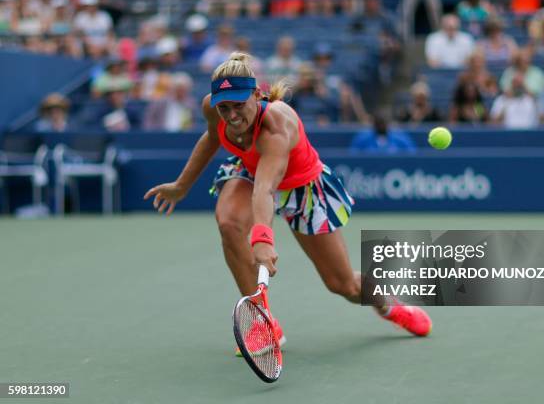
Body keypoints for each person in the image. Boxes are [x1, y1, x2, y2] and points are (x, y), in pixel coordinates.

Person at [143, 53, 432, 353]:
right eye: (224, 107)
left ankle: (388, 306)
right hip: (249, 170)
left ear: (257, 94)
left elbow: (266, 191)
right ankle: (263, 323)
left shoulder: (277, 128)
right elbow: (211, 138)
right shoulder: (213, 107)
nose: (231, 116)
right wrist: (181, 185)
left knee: (343, 285)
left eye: (239, 105)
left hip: (301, 186)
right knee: (228, 222)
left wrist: (262, 239)